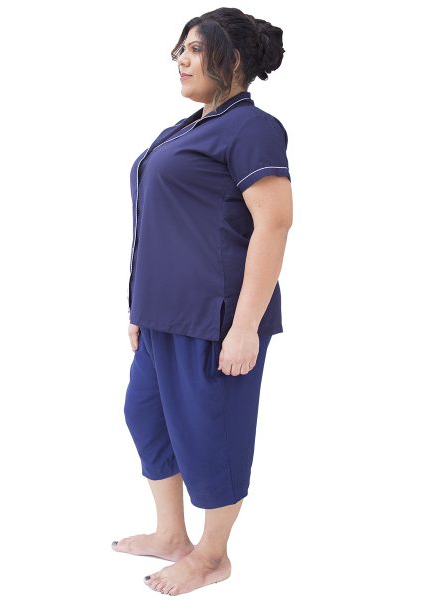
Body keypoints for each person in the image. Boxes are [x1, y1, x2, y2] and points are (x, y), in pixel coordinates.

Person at [112, 7, 293, 596]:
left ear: (232, 58)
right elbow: (155, 221)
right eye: (180, 50)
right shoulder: (183, 129)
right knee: (146, 416)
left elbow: (274, 224)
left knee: (213, 434)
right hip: (162, 314)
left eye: (194, 49)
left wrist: (245, 327)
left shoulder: (253, 128)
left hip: (215, 317)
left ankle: (213, 556)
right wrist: (138, 307)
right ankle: (172, 534)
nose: (181, 61)